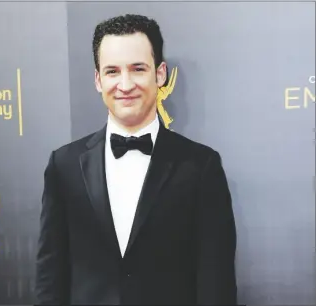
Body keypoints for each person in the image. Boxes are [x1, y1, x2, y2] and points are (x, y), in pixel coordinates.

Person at [35, 14, 237, 305]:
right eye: (112, 71)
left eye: (138, 69)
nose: (125, 84)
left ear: (160, 74)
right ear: (97, 79)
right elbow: (49, 276)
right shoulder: (63, 165)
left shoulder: (201, 166)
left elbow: (216, 282)